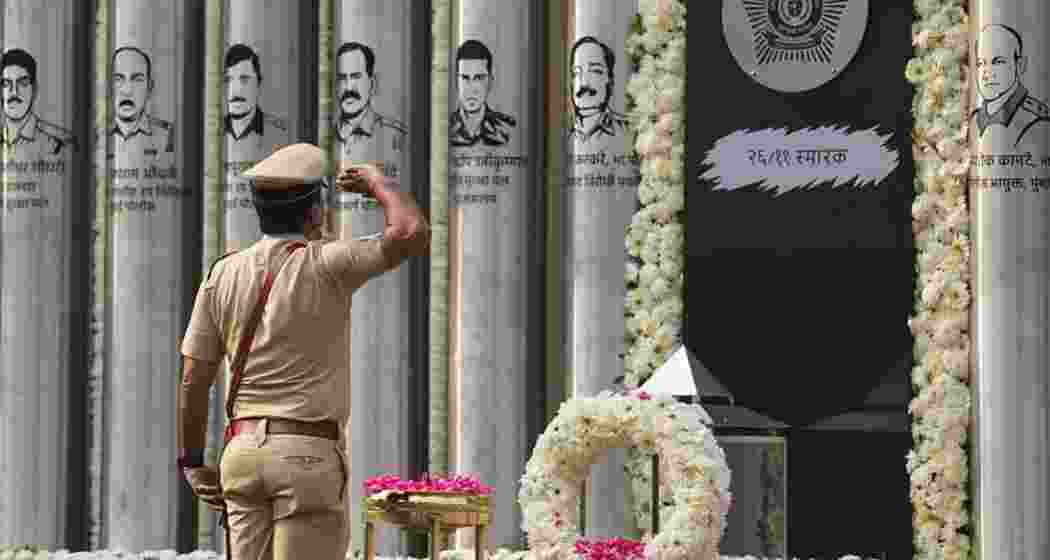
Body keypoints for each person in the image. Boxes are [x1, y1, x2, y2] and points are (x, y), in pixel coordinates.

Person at [176, 142, 429, 559]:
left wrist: (191, 460)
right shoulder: (327, 263)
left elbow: (193, 379)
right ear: (315, 212)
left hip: (241, 454)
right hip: (305, 458)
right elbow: (410, 232)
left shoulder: (222, 274)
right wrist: (378, 182)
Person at [972, 24, 1050, 150]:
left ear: (1019, 65)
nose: (987, 73)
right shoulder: (974, 119)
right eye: (981, 63)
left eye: (998, 62)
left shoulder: (1036, 121)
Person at [334, 41, 407, 163]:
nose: (348, 87)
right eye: (342, 78)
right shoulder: (324, 137)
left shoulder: (396, 137)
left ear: (372, 83)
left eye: (356, 77)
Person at [1, 48, 76, 158]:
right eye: (6, 83)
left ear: (34, 89)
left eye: (23, 83)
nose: (14, 92)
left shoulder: (59, 144)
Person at [108, 46, 175, 159]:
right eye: (118, 79)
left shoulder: (168, 135)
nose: (127, 90)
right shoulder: (94, 136)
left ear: (149, 87)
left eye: (137, 80)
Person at [225, 43, 289, 160]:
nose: (236, 90)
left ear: (258, 83)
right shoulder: (210, 133)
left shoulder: (279, 132)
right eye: (228, 80)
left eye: (244, 79)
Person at [449, 39, 516, 147]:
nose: (471, 89)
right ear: (456, 82)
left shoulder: (507, 129)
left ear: (490, 82)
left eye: (479, 78)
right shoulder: (444, 128)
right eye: (465, 78)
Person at [569, 36, 629, 147]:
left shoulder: (628, 132)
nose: (584, 83)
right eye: (576, 73)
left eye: (595, 71)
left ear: (610, 80)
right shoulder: (559, 132)